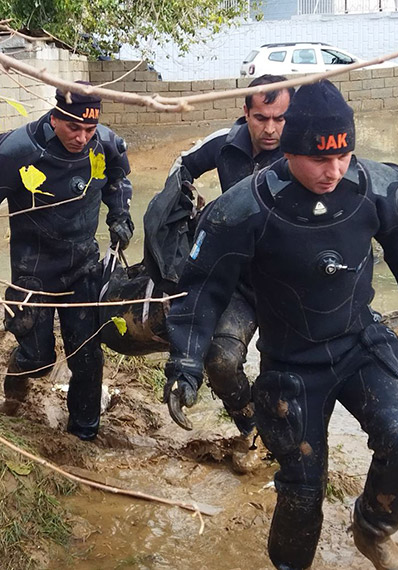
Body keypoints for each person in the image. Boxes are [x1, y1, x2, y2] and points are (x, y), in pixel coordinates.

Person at [164, 80, 398, 569]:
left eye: (343, 155)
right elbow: (202, 290)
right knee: (302, 493)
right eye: (319, 160)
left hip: (359, 343)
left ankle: (372, 527)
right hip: (294, 364)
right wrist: (185, 362)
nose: (333, 171)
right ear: (289, 149)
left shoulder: (380, 186)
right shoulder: (244, 208)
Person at [0, 83, 134, 441]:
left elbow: (117, 182)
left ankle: (83, 434)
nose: (81, 138)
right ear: (55, 117)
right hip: (34, 271)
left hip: (83, 266)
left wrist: (121, 215)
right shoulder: (20, 152)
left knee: (87, 357)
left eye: (89, 130)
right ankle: (15, 387)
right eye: (73, 128)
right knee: (39, 359)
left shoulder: (105, 144)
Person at [149, 74, 294, 469]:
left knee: (287, 378)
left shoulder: (307, 149)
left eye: (280, 119)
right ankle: (250, 429)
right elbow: (182, 167)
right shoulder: (225, 145)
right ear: (244, 112)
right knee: (221, 361)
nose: (270, 129)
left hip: (293, 285)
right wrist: (185, 215)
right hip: (243, 281)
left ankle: (290, 447)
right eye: (261, 117)